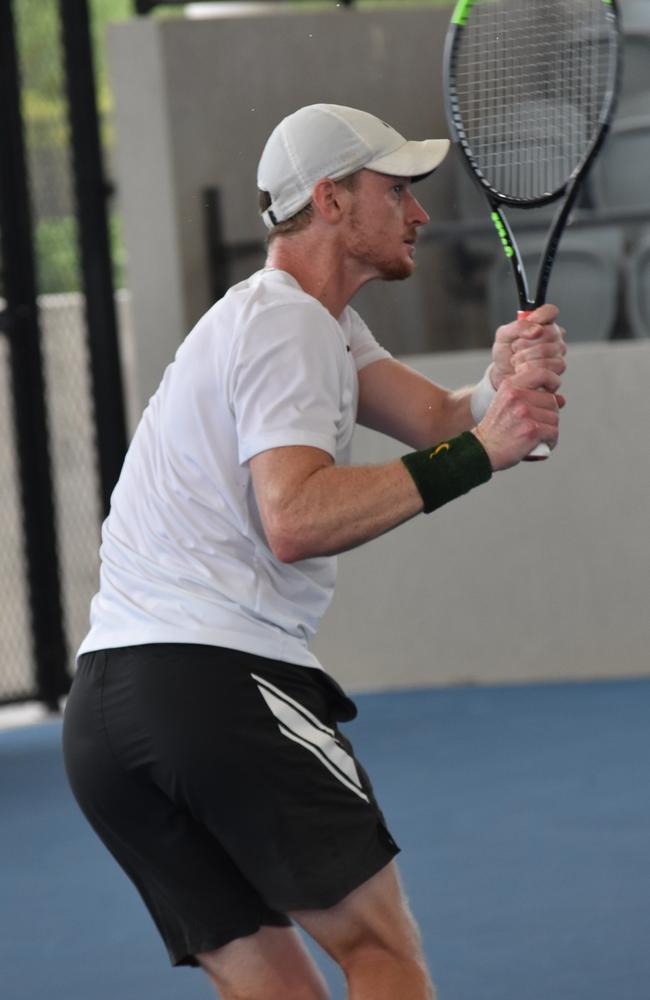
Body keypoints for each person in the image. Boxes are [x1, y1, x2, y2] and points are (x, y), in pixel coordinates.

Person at [63, 104, 565, 1000]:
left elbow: (447, 422)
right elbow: (293, 517)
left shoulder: (307, 324)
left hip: (105, 716)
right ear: (331, 200)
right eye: (396, 190)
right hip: (211, 683)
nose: (418, 213)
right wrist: (483, 453)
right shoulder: (287, 325)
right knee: (382, 951)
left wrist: (501, 379)